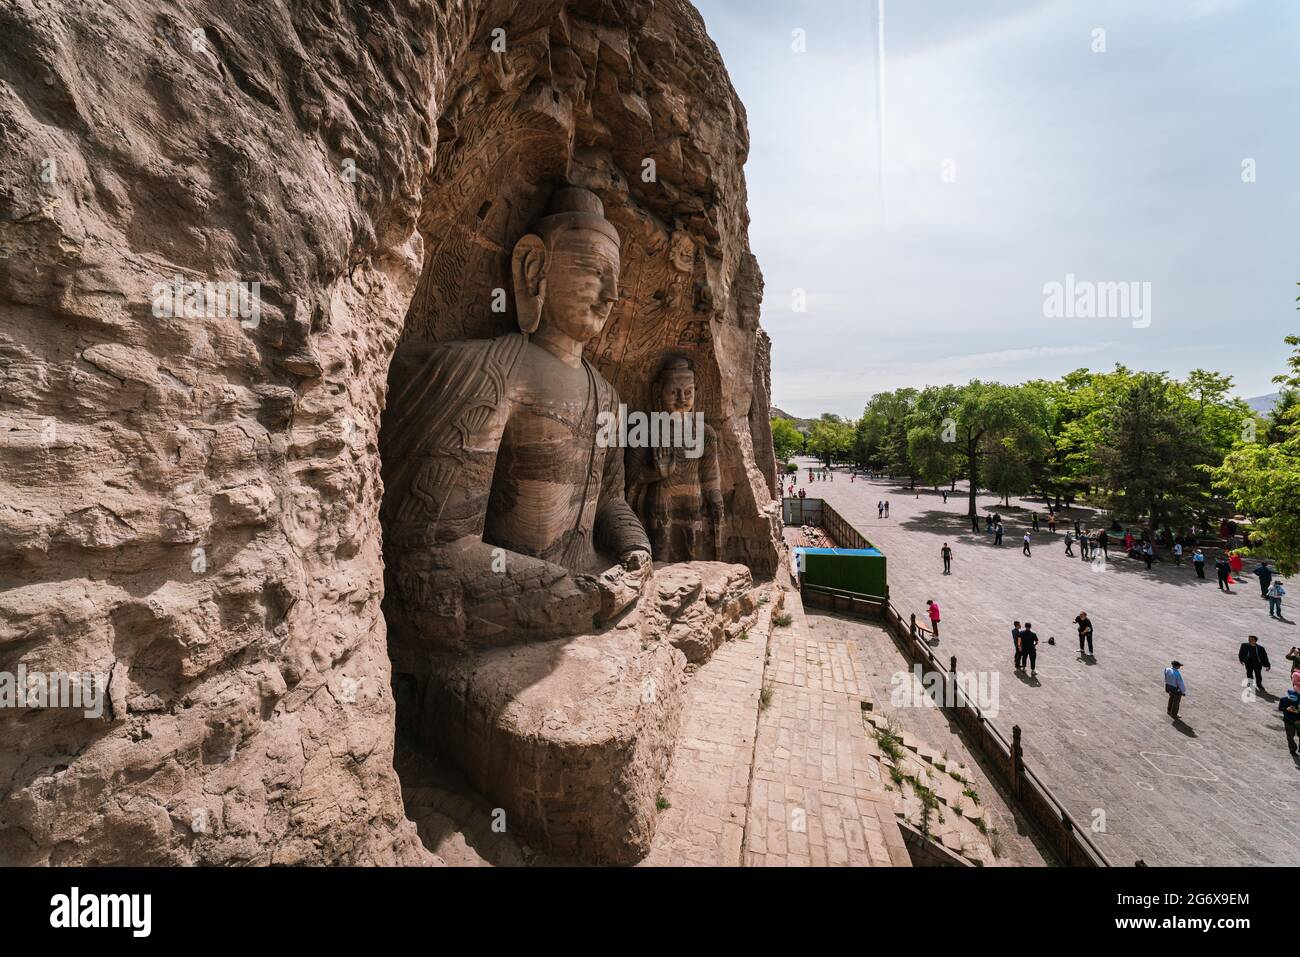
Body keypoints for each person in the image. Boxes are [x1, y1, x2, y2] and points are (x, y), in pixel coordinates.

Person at [1280, 690, 1300, 756]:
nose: (1293, 699)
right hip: (1289, 721)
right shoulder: (1283, 700)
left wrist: (1298, 711)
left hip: (1298, 721)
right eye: (1291, 697)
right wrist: (1286, 709)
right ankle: (1292, 750)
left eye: (1295, 697)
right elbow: (1280, 708)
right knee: (1290, 737)